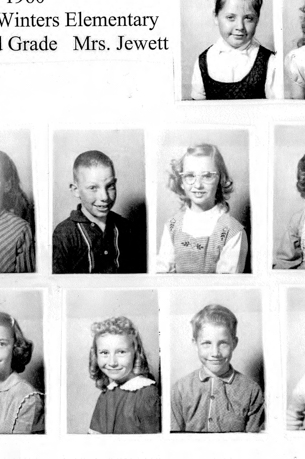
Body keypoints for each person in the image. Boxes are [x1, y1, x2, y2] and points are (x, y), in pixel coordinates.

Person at [171, 304, 264, 432]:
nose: (215, 353)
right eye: (206, 343)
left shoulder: (251, 391)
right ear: (195, 344)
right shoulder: (180, 389)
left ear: (234, 343)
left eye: (223, 343)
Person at [157, 144, 248, 273]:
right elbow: (163, 274)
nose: (198, 185)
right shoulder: (172, 226)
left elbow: (227, 288)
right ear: (181, 181)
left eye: (207, 176)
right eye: (190, 175)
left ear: (220, 180)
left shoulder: (232, 232)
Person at [53, 150, 146, 274]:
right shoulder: (64, 233)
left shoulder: (125, 228)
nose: (104, 197)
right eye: (93, 188)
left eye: (110, 186)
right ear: (75, 190)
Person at [191, 0, 276, 100]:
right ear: (215, 17)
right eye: (231, 17)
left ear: (257, 19)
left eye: (248, 18)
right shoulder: (203, 61)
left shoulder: (269, 61)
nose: (240, 26)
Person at [88, 315, 160, 434]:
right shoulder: (106, 395)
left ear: (136, 353)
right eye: (104, 353)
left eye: (121, 352)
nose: (112, 362)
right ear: (96, 356)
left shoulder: (146, 394)